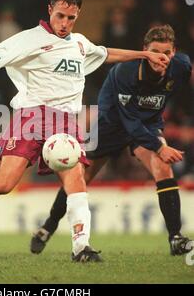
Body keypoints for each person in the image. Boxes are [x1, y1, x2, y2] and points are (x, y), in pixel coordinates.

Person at [0, 0, 169, 263]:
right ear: (49, 10)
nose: (65, 24)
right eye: (60, 16)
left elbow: (105, 53)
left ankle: (82, 248)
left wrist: (145, 55)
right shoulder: (27, 39)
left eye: (71, 18)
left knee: (76, 181)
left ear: (77, 14)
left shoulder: (79, 43)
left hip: (66, 123)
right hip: (31, 117)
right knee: (0, 184)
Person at [30, 24, 194, 257]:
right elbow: (130, 123)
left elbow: (181, 94)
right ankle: (49, 226)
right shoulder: (125, 72)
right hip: (111, 125)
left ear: (174, 52)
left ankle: (175, 238)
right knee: (80, 177)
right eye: (155, 52)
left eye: (166, 53)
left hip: (147, 124)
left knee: (163, 168)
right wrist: (159, 145)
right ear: (144, 50)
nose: (161, 58)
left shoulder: (182, 66)